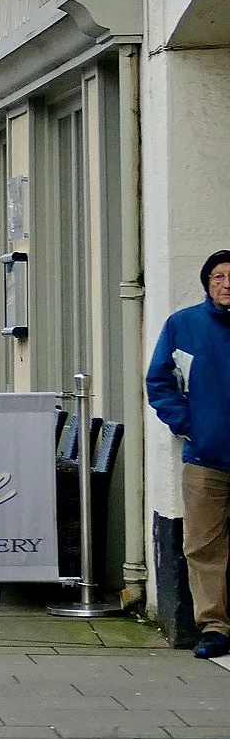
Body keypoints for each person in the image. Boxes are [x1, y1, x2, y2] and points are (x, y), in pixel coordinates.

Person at [147, 249, 230, 658]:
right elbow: (159, 381)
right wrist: (187, 423)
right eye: (218, 277)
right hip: (206, 458)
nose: (226, 284)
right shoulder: (184, 326)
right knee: (203, 546)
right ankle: (214, 626)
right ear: (207, 283)